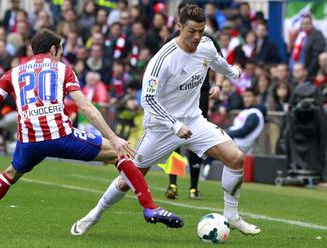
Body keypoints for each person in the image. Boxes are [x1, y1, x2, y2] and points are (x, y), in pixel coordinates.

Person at [0, 29, 183, 232]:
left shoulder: (13, 73)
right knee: (117, 152)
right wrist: (113, 137)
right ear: (53, 49)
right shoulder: (62, 69)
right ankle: (150, 207)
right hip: (61, 136)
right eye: (60, 51)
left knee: (10, 174)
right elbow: (84, 105)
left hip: (29, 142)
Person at [72, 5, 261, 236]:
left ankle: (232, 215)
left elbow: (216, 61)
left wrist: (233, 72)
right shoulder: (162, 60)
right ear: (179, 27)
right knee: (127, 179)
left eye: (201, 31)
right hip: (160, 128)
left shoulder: (206, 46)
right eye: (191, 31)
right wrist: (174, 124)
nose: (196, 36)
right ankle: (94, 214)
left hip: (193, 121)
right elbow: (148, 99)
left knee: (235, 158)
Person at [165, 0, 223, 200]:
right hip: (176, 98)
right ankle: (172, 184)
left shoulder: (207, 40)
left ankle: (193, 186)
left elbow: (220, 63)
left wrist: (218, 85)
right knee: (174, 139)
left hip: (201, 93)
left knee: (195, 138)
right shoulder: (170, 41)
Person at [227, 87, 266, 154]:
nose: (246, 99)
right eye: (244, 96)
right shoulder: (247, 111)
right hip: (233, 144)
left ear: (256, 98)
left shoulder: (255, 114)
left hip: (239, 148)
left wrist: (225, 133)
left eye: (249, 96)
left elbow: (243, 132)